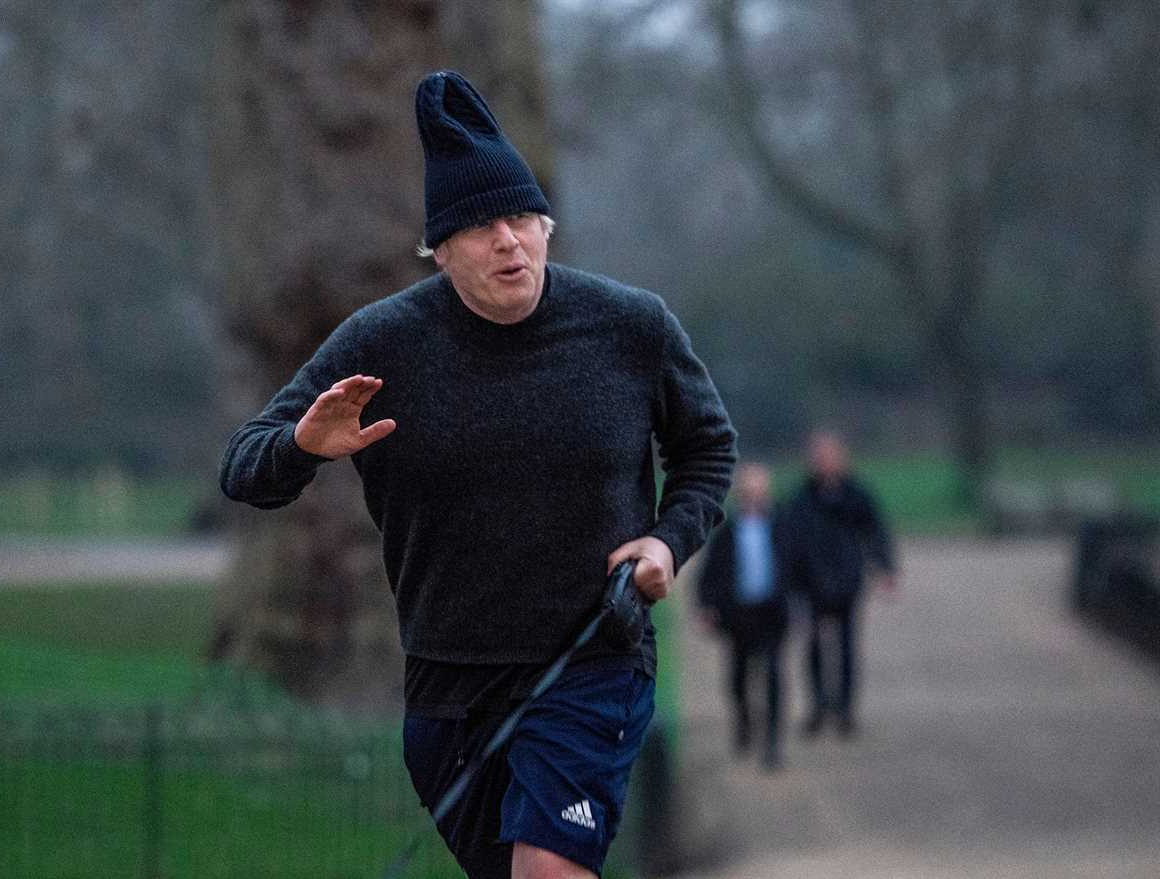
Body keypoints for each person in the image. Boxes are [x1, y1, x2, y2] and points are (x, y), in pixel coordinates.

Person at [219, 70, 737, 879]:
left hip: (592, 660)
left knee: (547, 871)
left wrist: (668, 542)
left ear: (545, 226)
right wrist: (304, 447)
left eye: (524, 218)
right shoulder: (381, 343)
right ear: (440, 248)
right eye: (485, 225)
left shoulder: (630, 327)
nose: (510, 240)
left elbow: (707, 450)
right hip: (448, 685)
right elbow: (245, 469)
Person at [779, 430, 897, 739]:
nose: (824, 462)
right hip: (812, 583)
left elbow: (876, 530)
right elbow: (788, 541)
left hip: (847, 580)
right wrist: (788, 581)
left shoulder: (856, 495)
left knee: (846, 646)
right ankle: (818, 706)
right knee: (815, 646)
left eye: (830, 456)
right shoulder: (801, 498)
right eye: (819, 457)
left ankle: (845, 709)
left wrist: (885, 567)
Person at [694, 463, 788, 771]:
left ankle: (773, 741)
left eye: (759, 491)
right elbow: (710, 573)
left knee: (774, 674)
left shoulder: (782, 526)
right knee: (739, 676)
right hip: (738, 615)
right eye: (749, 491)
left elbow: (800, 565)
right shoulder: (728, 531)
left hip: (772, 612)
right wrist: (706, 606)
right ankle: (745, 722)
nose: (754, 497)